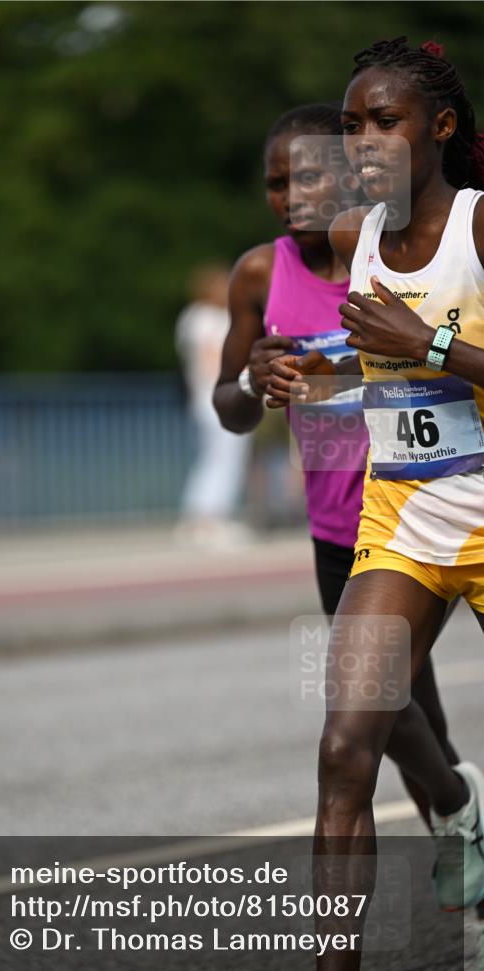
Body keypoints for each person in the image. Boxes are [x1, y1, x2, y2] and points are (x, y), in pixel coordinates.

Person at [265, 38, 484, 971]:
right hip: (400, 517)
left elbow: (418, 348)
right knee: (346, 743)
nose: (362, 141)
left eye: (383, 121)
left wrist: (428, 338)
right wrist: (297, 376)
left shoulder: (479, 230)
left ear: (438, 128)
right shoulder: (353, 238)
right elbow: (367, 368)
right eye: (351, 123)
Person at [213, 101, 462, 833]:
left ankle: (458, 835)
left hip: (422, 507)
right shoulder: (260, 275)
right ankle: (458, 814)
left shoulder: (392, 254)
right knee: (396, 708)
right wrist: (255, 383)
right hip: (336, 533)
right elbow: (227, 405)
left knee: (377, 710)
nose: (292, 196)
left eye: (311, 177)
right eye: (276, 183)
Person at [176, 265, 254, 548]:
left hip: (204, 399)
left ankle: (198, 519)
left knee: (212, 459)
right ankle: (211, 520)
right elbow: (212, 357)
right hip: (220, 397)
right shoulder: (208, 317)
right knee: (225, 460)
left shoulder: (192, 318)